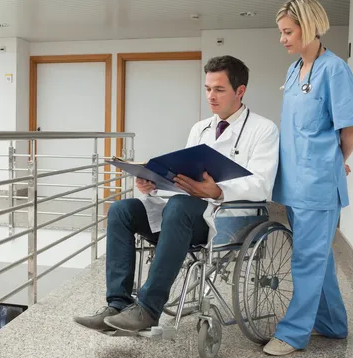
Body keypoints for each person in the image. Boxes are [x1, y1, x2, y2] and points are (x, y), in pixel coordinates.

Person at [73, 55, 280, 333]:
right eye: (207, 88)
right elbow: (184, 178)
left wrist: (218, 190)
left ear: (239, 91)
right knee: (122, 210)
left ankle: (147, 309)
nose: (211, 96)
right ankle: (118, 304)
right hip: (186, 213)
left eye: (219, 89)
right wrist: (154, 183)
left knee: (180, 207)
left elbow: (262, 184)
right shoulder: (200, 129)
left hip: (231, 216)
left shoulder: (264, 130)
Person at [264, 0, 353, 356]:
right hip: (294, 182)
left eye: (288, 32)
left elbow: (351, 129)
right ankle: (333, 324)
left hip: (318, 185)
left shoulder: (334, 69)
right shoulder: (294, 71)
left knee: (306, 258)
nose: (283, 39)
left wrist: (335, 161)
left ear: (309, 27)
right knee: (316, 256)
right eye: (282, 32)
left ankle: (292, 334)